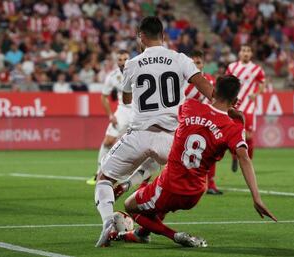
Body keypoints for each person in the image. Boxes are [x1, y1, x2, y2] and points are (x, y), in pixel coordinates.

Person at [94, 16, 214, 247]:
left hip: (139, 133)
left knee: (104, 179)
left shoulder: (133, 64)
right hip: (170, 137)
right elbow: (207, 88)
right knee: (162, 171)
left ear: (141, 36)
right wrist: (229, 109)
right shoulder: (180, 59)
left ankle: (108, 220)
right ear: (163, 35)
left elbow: (126, 97)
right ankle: (140, 203)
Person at [118, 75, 277, 247]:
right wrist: (256, 198)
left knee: (130, 206)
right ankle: (141, 234)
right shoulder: (233, 128)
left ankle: (175, 236)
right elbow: (244, 158)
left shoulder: (189, 107)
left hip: (171, 185)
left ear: (214, 92)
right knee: (156, 202)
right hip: (195, 193)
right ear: (236, 100)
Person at [86, 50, 131, 185]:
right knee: (108, 141)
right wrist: (110, 115)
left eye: (125, 59)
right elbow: (104, 97)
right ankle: (98, 172)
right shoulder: (112, 76)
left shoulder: (139, 71)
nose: (123, 62)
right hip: (123, 110)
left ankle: (138, 177)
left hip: (139, 112)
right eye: (120, 60)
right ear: (116, 61)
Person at [184, 50, 221, 195]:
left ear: (203, 64)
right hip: (186, 123)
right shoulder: (182, 81)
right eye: (192, 63)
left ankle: (211, 184)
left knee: (210, 153)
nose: (195, 66)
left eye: (198, 63)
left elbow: (214, 102)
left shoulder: (210, 81)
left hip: (206, 123)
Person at [226, 44, 266, 172]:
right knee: (233, 135)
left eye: (248, 51)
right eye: (243, 50)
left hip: (249, 106)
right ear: (239, 53)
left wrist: (256, 94)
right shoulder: (232, 67)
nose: (246, 53)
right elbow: (226, 82)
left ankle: (249, 162)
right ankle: (234, 157)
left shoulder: (256, 69)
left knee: (248, 136)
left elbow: (262, 84)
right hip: (235, 106)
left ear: (251, 54)